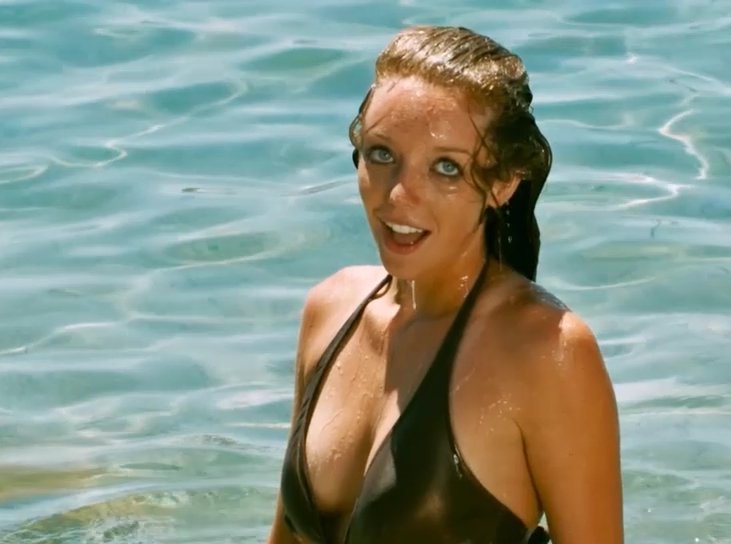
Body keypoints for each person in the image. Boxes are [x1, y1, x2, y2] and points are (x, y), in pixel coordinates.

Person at [266, 25, 624, 544]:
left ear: (503, 182)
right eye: (382, 154)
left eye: (446, 168)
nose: (398, 196)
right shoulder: (331, 309)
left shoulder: (545, 353)